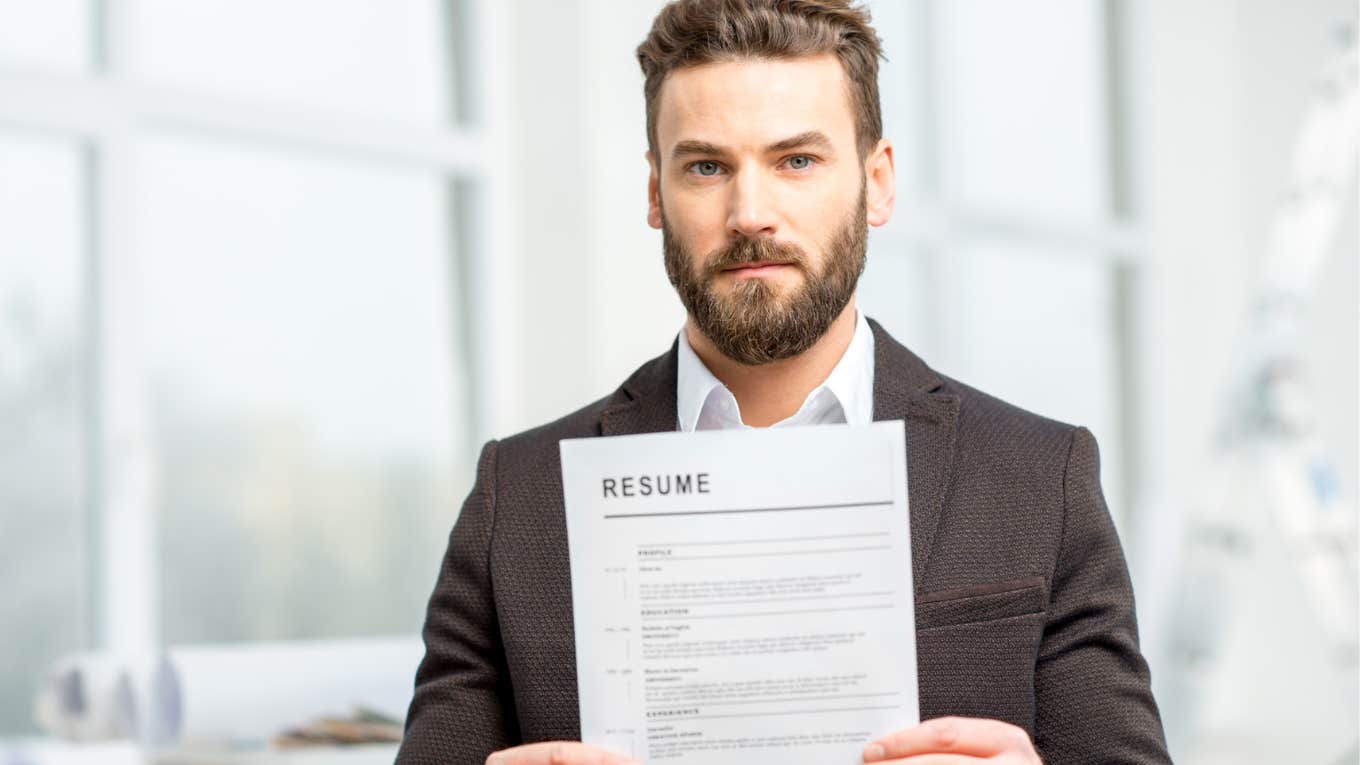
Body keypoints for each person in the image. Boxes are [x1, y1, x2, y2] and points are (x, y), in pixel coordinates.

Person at [395, 1, 1170, 763]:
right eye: (706, 166)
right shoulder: (520, 497)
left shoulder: (1038, 478)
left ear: (878, 181)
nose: (750, 212)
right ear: (656, 194)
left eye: (796, 160)